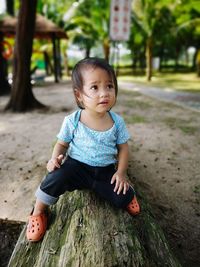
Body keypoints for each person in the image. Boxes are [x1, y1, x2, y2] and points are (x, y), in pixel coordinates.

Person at [26, 57, 140, 242]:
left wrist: (121, 173)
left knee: (123, 197)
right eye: (94, 87)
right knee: (54, 178)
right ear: (79, 95)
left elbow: (124, 149)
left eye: (109, 86)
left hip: (105, 171)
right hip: (76, 167)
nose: (104, 93)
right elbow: (61, 144)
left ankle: (126, 194)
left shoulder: (117, 122)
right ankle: (38, 211)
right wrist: (55, 159)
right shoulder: (73, 120)